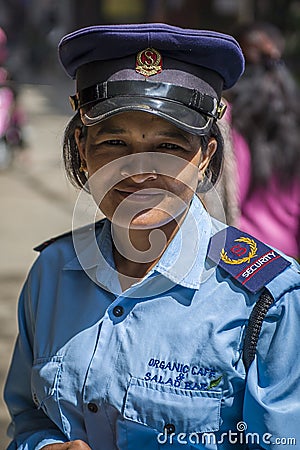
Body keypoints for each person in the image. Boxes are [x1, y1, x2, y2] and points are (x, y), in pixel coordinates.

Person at [3, 23, 300, 450]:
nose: (140, 171)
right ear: (83, 151)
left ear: (205, 157)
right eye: (114, 143)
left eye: (170, 147)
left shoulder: (270, 301)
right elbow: (30, 418)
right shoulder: (50, 273)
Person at [227, 22, 300, 261]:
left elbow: (229, 194)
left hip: (240, 255)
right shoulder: (293, 114)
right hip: (288, 258)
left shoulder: (228, 116)